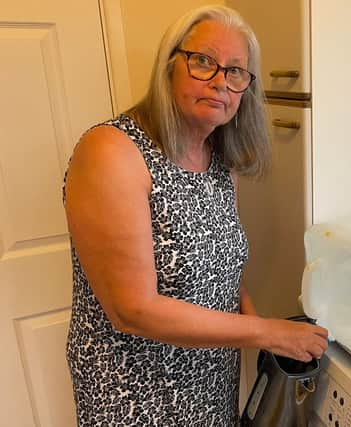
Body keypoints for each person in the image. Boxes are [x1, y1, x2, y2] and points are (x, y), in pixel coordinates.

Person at [63, 5, 328, 426]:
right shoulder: (111, 152)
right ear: (169, 66)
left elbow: (224, 268)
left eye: (236, 71)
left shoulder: (219, 160)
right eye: (203, 61)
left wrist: (256, 324)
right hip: (135, 392)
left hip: (209, 382)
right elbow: (132, 309)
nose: (221, 81)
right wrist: (267, 332)